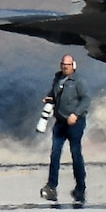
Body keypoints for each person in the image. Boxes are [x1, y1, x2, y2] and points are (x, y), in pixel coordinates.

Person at [39, 54, 90, 203]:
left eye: (67, 65)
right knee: (55, 154)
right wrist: (49, 98)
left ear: (73, 66)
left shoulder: (79, 81)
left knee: (76, 154)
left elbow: (86, 99)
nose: (64, 67)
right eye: (63, 65)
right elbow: (56, 94)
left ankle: (80, 188)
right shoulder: (57, 79)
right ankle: (51, 187)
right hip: (60, 122)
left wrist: (76, 114)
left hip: (75, 123)